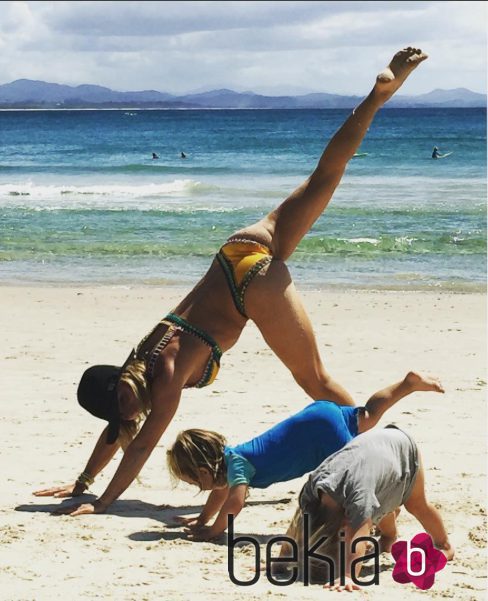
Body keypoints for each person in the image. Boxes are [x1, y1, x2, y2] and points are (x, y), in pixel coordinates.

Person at [33, 47, 429, 516]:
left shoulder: (160, 379)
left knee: (315, 378)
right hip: (237, 250)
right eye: (121, 406)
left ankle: (372, 452)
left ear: (123, 381)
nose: (126, 404)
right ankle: (378, 96)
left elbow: (139, 447)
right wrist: (81, 482)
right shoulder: (144, 357)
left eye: (121, 395)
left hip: (249, 282)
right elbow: (120, 432)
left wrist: (101, 503)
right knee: (325, 177)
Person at [166, 372, 444, 541]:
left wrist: (215, 531)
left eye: (192, 481)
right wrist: (202, 519)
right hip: (319, 417)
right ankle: (408, 384)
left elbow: (234, 504)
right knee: (367, 415)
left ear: (203, 471)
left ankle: (387, 523)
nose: (196, 487)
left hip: (321, 436)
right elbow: (221, 493)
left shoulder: (238, 465)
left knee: (356, 482)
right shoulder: (232, 460)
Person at [276, 426, 454, 591]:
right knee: (376, 501)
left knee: (416, 505)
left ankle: (445, 545)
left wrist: (347, 574)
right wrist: (281, 560)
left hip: (400, 447)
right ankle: (388, 537)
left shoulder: (358, 496)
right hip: (372, 450)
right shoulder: (314, 487)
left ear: (345, 522)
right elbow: (297, 526)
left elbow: (358, 533)